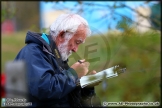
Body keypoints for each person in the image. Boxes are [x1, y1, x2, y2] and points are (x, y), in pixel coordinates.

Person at [14, 13, 101, 107]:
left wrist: (85, 85)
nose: (75, 49)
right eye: (77, 42)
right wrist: (73, 74)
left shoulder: (55, 55)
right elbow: (44, 90)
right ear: (61, 35)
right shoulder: (33, 53)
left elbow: (65, 98)